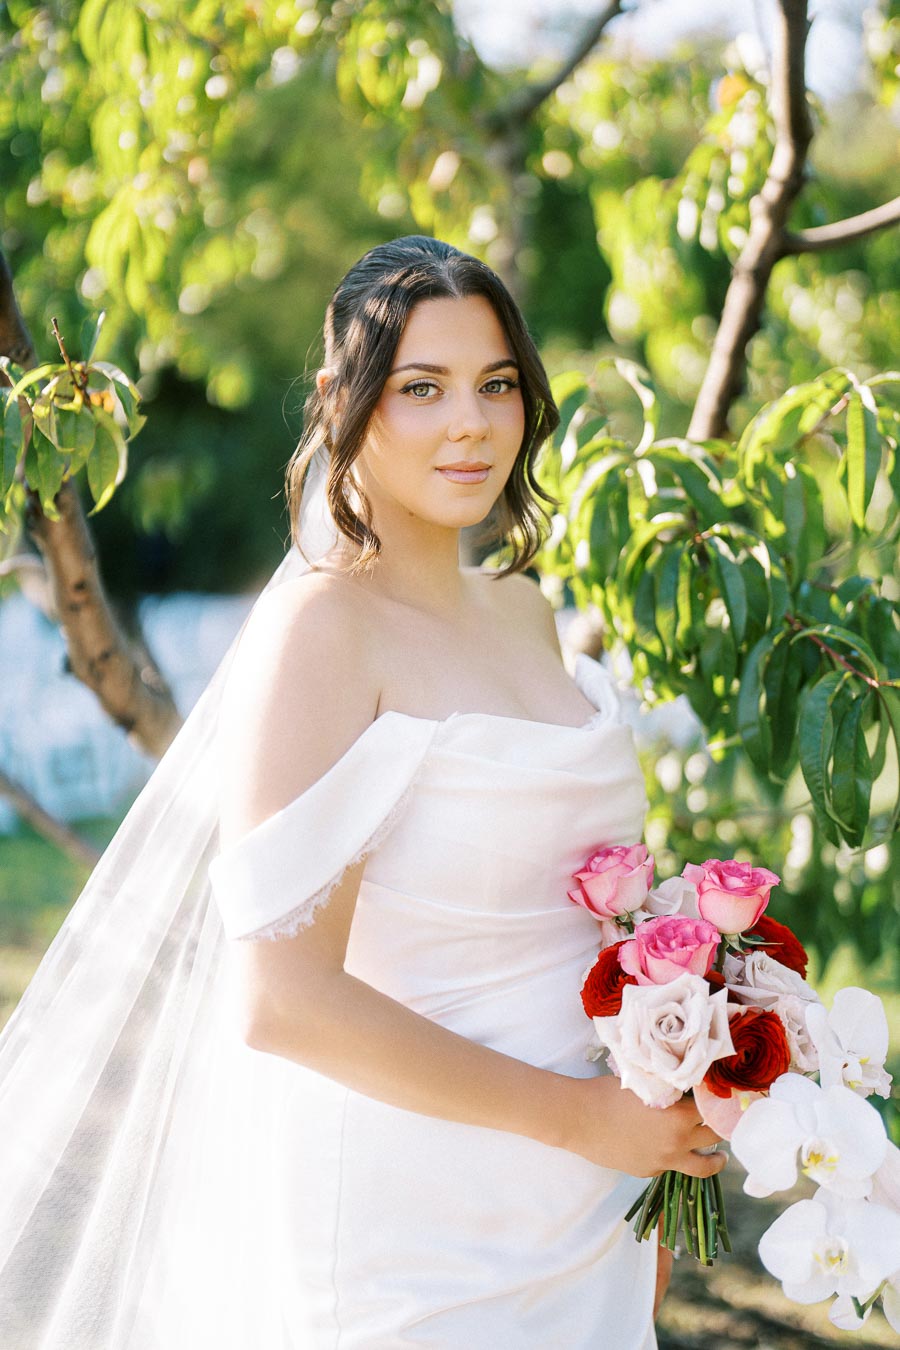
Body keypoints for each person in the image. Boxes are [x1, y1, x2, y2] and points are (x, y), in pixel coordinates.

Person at [0, 235, 723, 1349]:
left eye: (494, 385)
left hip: (582, 1209)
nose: (469, 423)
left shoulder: (526, 614)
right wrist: (585, 1122)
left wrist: (653, 1124)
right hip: (411, 1229)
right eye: (420, 388)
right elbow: (283, 1000)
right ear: (344, 402)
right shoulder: (324, 630)